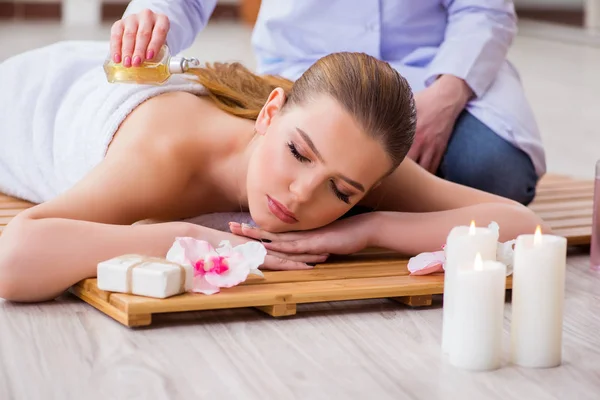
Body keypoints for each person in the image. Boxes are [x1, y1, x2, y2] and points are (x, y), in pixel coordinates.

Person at [0, 40, 547, 303]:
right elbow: (15, 260)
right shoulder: (162, 155)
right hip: (29, 98)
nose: (303, 193)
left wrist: (367, 231)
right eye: (298, 153)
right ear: (270, 111)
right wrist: (188, 235)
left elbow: (520, 224)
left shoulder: (351, 157)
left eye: (341, 191)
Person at [110, 0, 546, 205]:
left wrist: (445, 98)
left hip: (434, 66)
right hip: (312, 69)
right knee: (299, 168)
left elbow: (483, 9)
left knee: (495, 172)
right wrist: (152, 20)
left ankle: (360, 207)